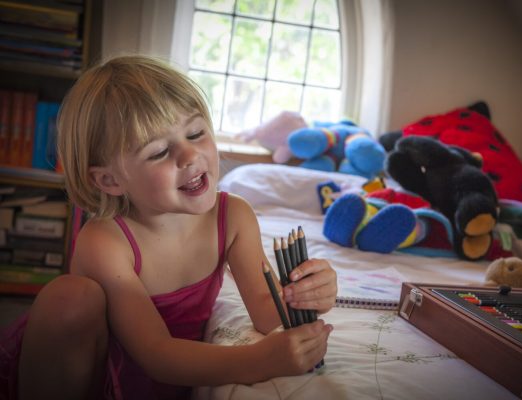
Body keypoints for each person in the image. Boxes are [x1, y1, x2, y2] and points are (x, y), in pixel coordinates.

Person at [0, 55, 337, 400]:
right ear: (110, 179)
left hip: (177, 371)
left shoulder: (233, 216)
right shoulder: (105, 241)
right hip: (97, 379)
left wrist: (309, 294)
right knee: (68, 297)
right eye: (159, 152)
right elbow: (156, 353)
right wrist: (259, 360)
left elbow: (268, 311)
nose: (189, 156)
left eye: (196, 132)